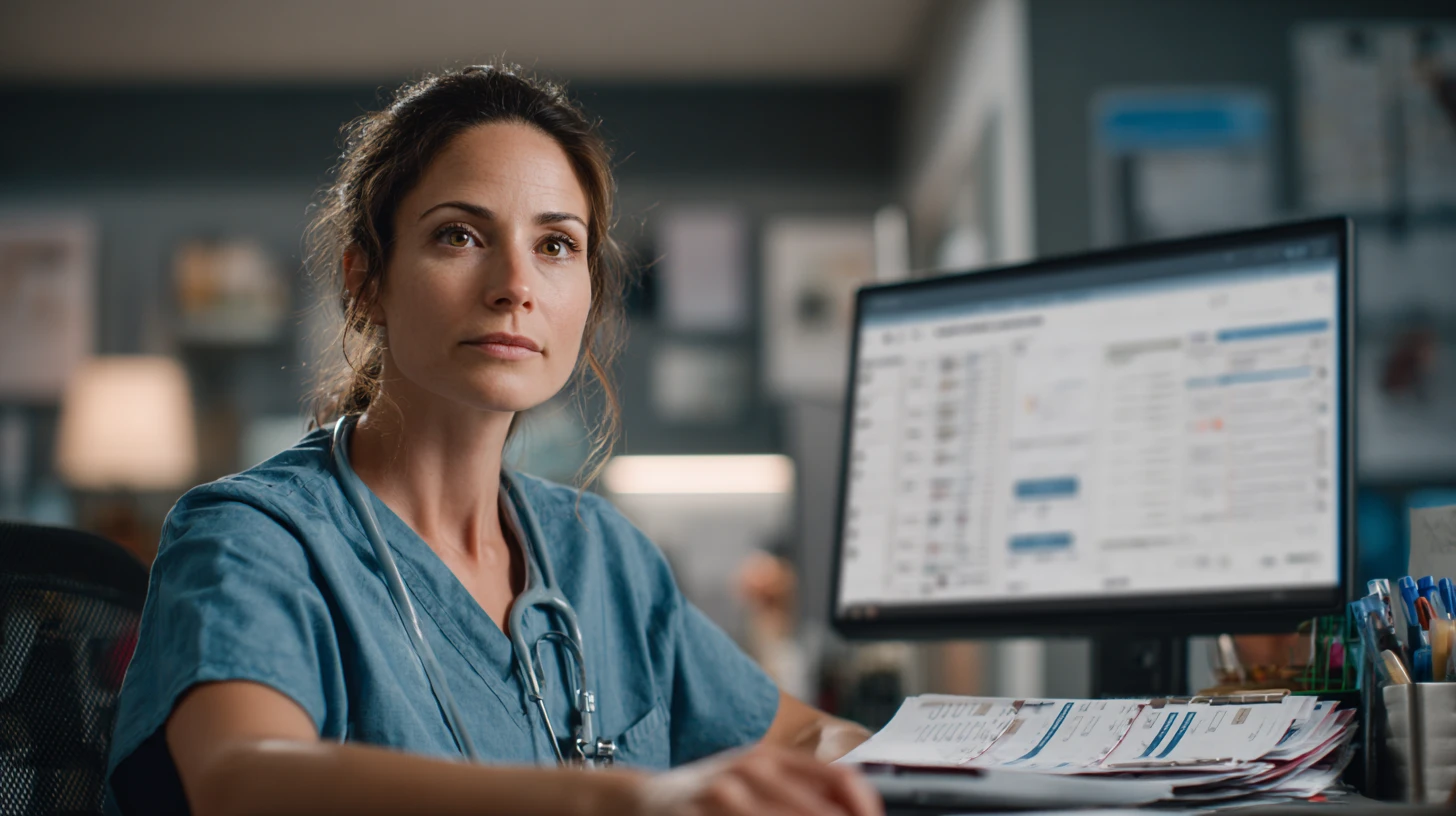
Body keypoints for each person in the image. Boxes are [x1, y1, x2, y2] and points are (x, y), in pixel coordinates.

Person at [105, 64, 879, 816]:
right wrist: (625, 800)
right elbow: (243, 782)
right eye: (459, 235)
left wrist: (898, 766)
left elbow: (807, 733)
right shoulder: (252, 537)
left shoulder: (601, 556)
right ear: (365, 280)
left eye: (554, 245)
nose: (516, 284)